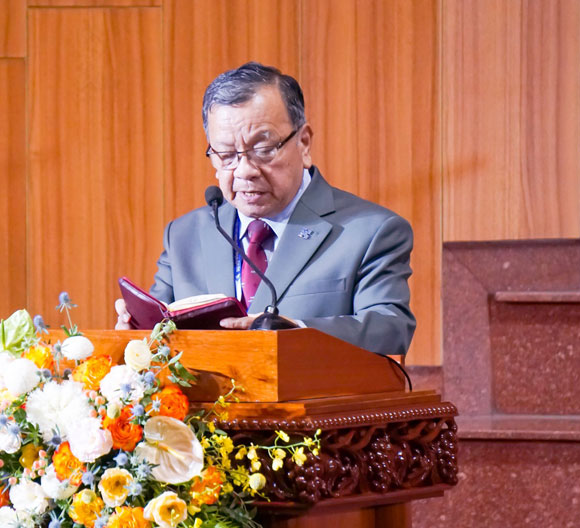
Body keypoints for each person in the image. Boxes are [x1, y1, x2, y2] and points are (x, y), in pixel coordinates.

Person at [115, 62, 415, 356]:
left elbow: (390, 328)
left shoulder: (369, 231)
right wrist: (135, 336)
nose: (245, 170)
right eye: (227, 155)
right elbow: (157, 334)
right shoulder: (184, 235)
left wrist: (297, 332)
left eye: (263, 150)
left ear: (304, 143)